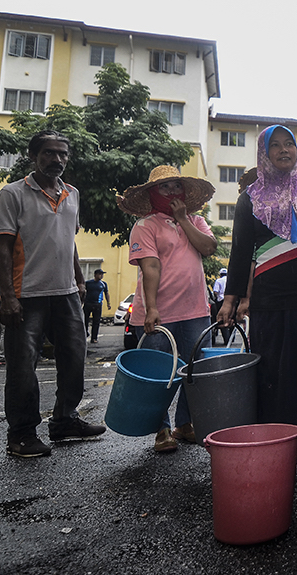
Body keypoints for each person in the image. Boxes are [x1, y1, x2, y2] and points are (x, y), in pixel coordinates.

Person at [218, 125, 297, 467]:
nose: (285, 150)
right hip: (270, 303)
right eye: (276, 146)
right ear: (264, 154)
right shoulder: (250, 198)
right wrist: (231, 299)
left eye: (290, 144)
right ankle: (281, 452)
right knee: (275, 382)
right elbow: (240, 252)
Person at [0, 130, 106, 458]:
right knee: (22, 367)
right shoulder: (13, 193)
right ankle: (22, 434)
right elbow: (3, 250)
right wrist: (8, 296)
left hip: (67, 293)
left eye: (62, 154)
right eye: (48, 153)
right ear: (33, 156)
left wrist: (80, 281)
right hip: (26, 295)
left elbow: (68, 241)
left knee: (74, 359)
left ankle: (65, 421)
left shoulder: (72, 193)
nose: (56, 159)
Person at [118, 165, 216, 453]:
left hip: (196, 310)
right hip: (158, 313)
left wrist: (183, 219)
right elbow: (150, 266)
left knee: (194, 370)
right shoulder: (145, 225)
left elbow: (208, 248)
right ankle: (161, 429)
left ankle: (184, 425)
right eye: (165, 187)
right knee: (158, 375)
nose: (172, 192)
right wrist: (150, 309)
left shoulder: (196, 221)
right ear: (152, 192)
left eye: (176, 186)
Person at [82, 269, 111, 344]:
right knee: (85, 320)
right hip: (88, 304)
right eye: (100, 274)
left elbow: (106, 293)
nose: (101, 276)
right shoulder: (88, 283)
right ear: (95, 275)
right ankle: (85, 334)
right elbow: (83, 292)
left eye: (102, 274)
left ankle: (94, 338)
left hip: (98, 305)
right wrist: (81, 301)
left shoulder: (103, 284)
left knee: (96, 322)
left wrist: (108, 303)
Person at [211, 268, 230, 345]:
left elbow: (215, 292)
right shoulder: (229, 280)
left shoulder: (218, 281)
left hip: (221, 302)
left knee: (221, 319)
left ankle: (226, 338)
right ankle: (229, 339)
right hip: (230, 301)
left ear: (220, 274)